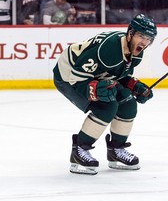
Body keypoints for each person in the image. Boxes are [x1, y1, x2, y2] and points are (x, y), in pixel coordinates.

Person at [53, 14, 157, 175]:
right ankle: (79, 150)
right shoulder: (108, 49)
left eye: (149, 38)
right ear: (130, 33)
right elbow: (77, 77)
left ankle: (116, 149)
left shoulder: (136, 52)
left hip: (94, 76)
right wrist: (95, 89)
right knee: (106, 105)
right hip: (68, 76)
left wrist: (132, 85)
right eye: (141, 35)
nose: (144, 42)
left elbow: (117, 75)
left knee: (128, 104)